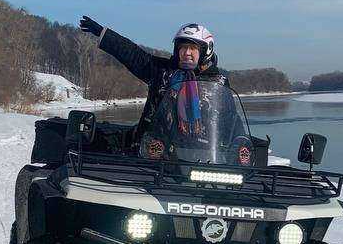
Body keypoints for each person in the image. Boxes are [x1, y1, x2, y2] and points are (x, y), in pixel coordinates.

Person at [78, 16, 250, 162]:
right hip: (157, 149)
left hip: (203, 155)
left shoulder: (218, 82)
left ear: (206, 51)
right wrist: (103, 34)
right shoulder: (162, 71)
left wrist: (240, 144)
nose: (187, 53)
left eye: (192, 48)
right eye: (182, 48)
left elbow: (231, 119)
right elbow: (132, 54)